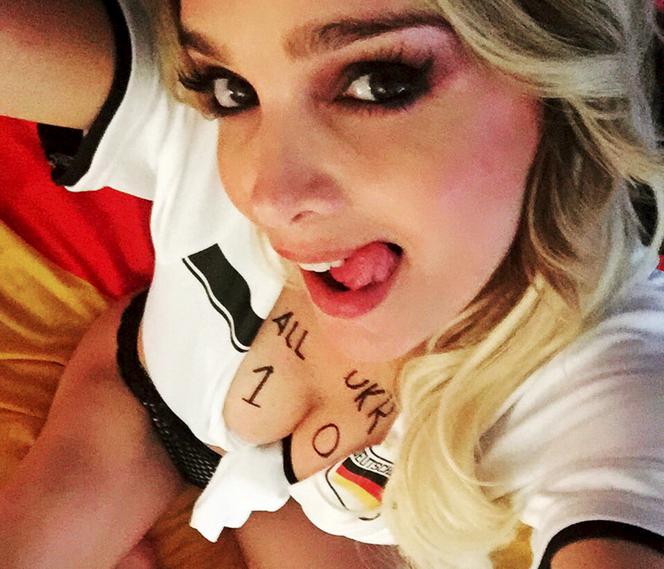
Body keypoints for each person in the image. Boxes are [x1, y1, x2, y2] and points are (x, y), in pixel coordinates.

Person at [0, 1, 663, 568]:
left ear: (558, 75)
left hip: (315, 515)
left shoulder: (598, 366)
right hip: (142, 406)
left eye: (378, 83)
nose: (268, 196)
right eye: (231, 89)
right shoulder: (189, 113)